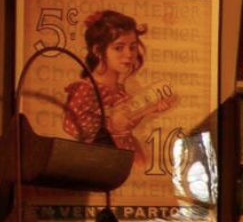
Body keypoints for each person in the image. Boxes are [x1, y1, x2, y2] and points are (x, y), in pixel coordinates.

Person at [62, 9, 179, 167]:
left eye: (132, 47)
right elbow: (74, 130)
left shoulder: (120, 91)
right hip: (101, 163)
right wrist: (111, 126)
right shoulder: (85, 90)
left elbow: (127, 123)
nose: (129, 54)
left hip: (127, 155)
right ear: (97, 51)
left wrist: (150, 109)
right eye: (119, 48)